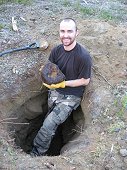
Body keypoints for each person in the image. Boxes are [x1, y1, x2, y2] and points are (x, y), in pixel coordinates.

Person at [30, 18, 92, 157]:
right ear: (59, 32)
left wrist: (63, 84)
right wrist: (45, 73)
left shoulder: (83, 56)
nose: (66, 35)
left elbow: (85, 80)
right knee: (49, 120)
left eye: (70, 31)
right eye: (62, 31)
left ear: (77, 32)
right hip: (54, 92)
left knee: (48, 124)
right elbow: (51, 68)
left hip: (71, 96)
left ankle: (37, 153)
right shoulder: (57, 51)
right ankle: (53, 134)